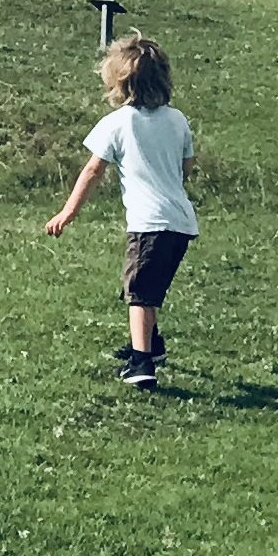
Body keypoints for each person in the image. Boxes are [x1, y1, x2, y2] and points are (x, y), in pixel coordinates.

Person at [43, 31, 197, 389]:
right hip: (181, 221)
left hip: (150, 222)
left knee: (140, 292)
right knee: (147, 284)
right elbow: (187, 166)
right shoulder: (177, 120)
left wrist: (67, 212)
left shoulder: (118, 122)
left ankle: (142, 364)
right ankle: (151, 344)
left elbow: (93, 169)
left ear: (119, 82)